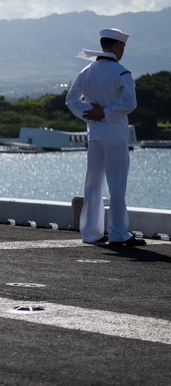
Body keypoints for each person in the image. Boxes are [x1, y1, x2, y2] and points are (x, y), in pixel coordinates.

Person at [65, 28, 144, 247]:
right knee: (116, 184)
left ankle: (91, 232)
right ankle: (118, 232)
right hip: (115, 134)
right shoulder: (121, 72)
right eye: (123, 47)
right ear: (117, 46)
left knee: (93, 183)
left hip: (95, 133)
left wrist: (89, 113)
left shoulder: (87, 71)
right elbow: (130, 103)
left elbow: (71, 100)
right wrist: (106, 113)